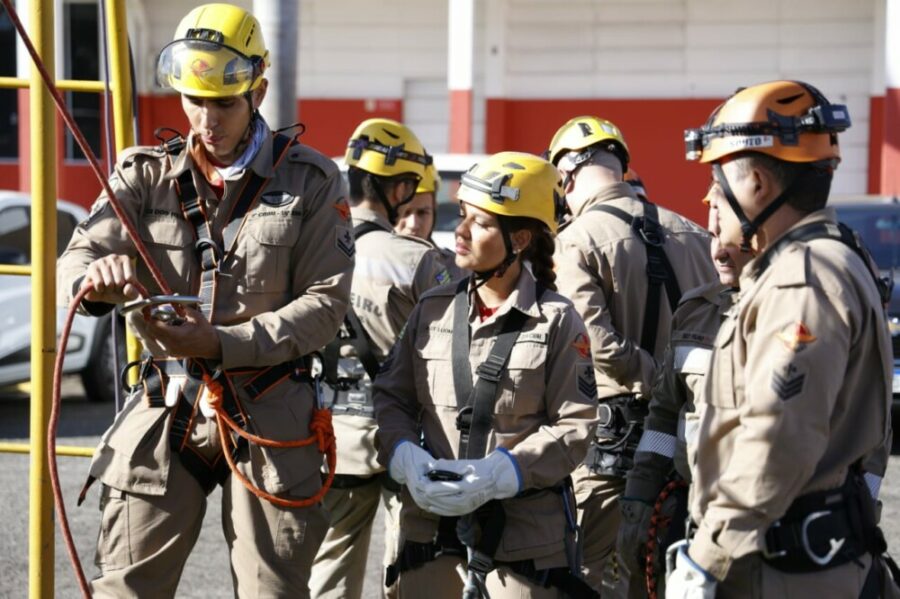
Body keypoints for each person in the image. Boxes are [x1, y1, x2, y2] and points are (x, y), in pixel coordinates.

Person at [56, 4, 353, 597]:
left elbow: (325, 306)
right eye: (194, 100)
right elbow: (76, 260)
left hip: (271, 417)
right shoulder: (143, 174)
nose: (206, 119)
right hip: (166, 407)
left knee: (274, 591)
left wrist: (221, 342)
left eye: (224, 103)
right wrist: (97, 281)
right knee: (126, 589)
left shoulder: (314, 182)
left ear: (258, 91)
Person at [667, 80, 893, 598]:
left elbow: (777, 436)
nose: (713, 207)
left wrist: (707, 558)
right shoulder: (818, 261)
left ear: (759, 185)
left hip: (784, 575)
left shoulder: (802, 278)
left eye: (719, 186)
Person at [373, 152, 600, 598]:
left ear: (519, 238)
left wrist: (505, 471)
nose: (459, 232)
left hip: (522, 551)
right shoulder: (431, 308)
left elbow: (576, 426)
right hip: (429, 540)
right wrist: (404, 455)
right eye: (461, 216)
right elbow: (391, 396)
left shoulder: (557, 321)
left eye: (479, 223)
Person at [546, 116, 717, 597]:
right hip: (687, 440)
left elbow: (592, 342)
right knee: (664, 567)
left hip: (611, 448)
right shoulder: (696, 233)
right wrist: (679, 394)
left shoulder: (574, 241)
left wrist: (655, 384)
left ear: (568, 176)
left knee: (589, 573)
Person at [309, 118, 450, 599]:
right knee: (410, 569)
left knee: (329, 573)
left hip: (327, 438)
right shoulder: (415, 259)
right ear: (396, 186)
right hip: (403, 441)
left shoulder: (310, 245)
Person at [616, 187, 752, 598]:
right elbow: (663, 417)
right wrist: (640, 500)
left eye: (731, 242)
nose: (718, 253)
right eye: (713, 240)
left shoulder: (801, 315)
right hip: (689, 514)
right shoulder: (694, 310)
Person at [394, 162, 467, 280]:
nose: (413, 224)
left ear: (434, 210)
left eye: (422, 213)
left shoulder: (457, 269)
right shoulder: (368, 261)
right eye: (405, 213)